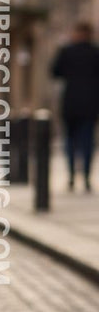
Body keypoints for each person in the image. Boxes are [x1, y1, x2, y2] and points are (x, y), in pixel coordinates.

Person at [49, 20, 99, 191]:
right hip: (90, 105)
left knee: (70, 141)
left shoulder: (66, 51)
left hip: (70, 103)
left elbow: (55, 72)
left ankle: (71, 175)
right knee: (87, 142)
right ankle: (86, 177)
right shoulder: (95, 52)